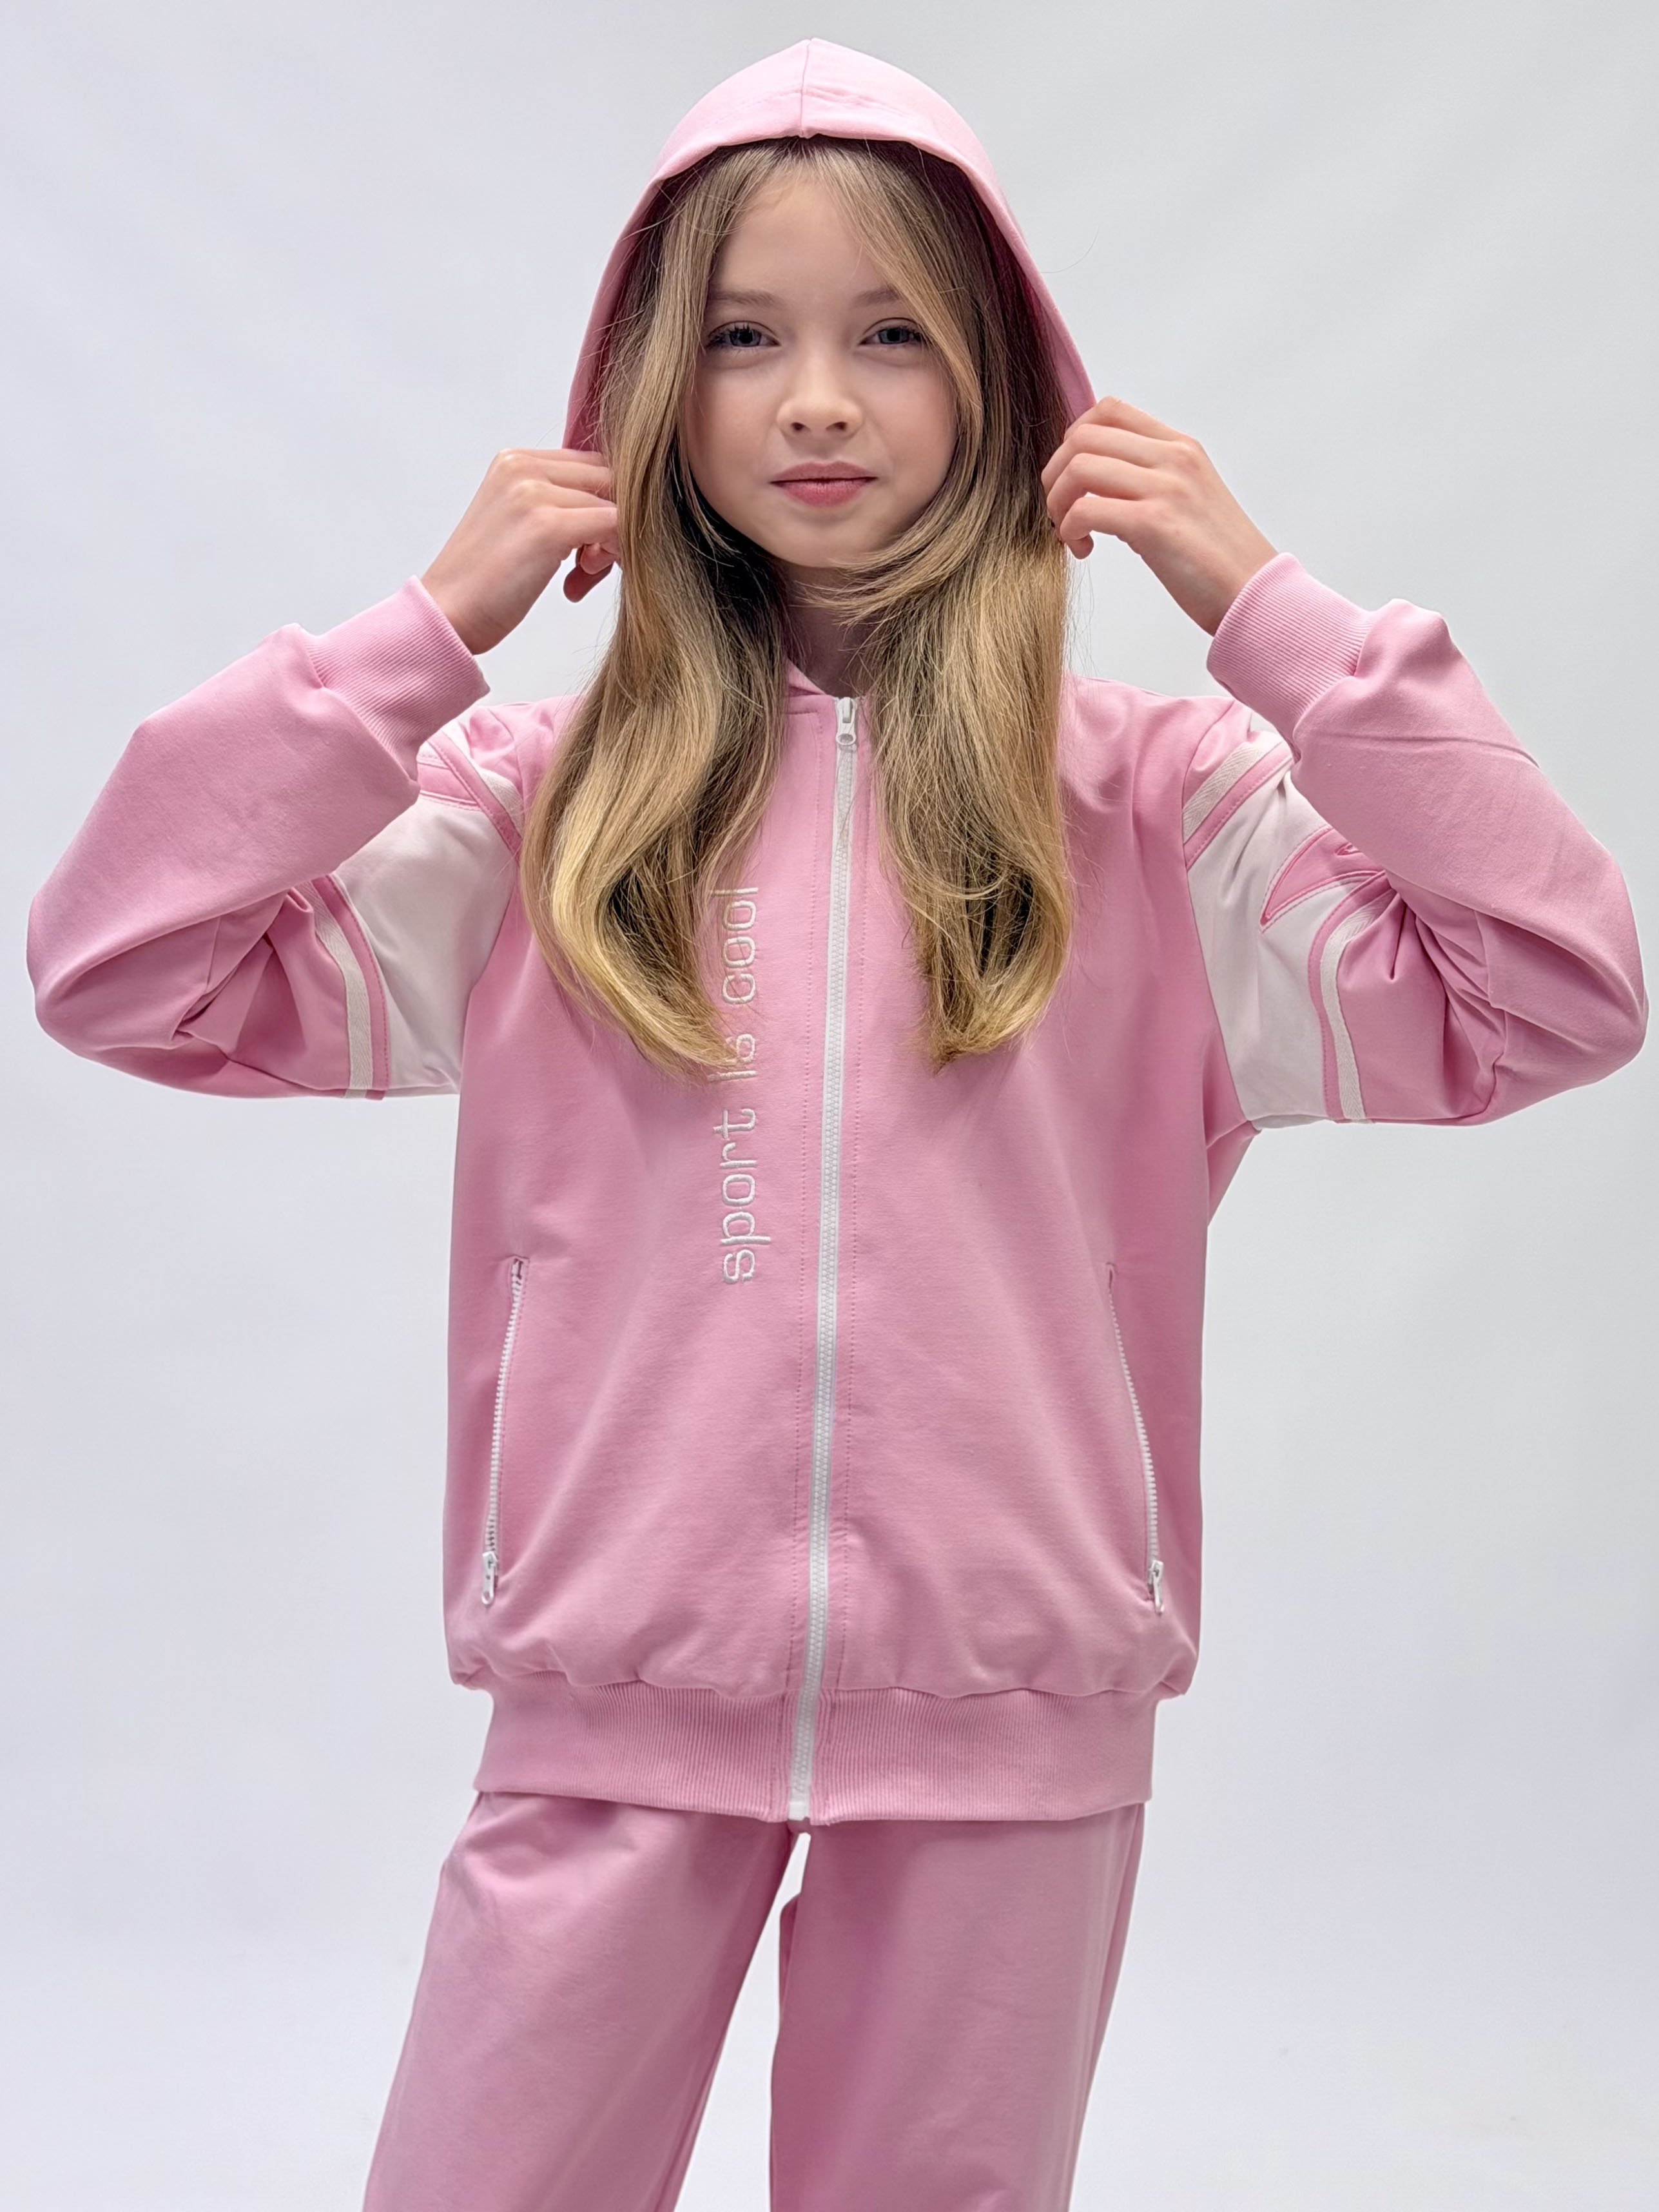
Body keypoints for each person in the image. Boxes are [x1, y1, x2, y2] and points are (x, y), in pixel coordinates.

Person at [25, 35, 1647, 2212]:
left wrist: (1277, 617)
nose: (815, 402)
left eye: (891, 335)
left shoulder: (1156, 812)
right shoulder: (543, 812)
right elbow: (122, 967)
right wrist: (418, 641)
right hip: (613, 1695)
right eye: (743, 338)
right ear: (651, 396)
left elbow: (1554, 989)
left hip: (1011, 1732)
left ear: (999, 381)